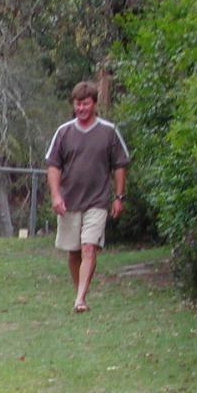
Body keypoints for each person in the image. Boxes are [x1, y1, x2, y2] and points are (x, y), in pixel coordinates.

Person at [45, 81, 130, 313]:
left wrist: (118, 196)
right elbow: (53, 166)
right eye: (77, 104)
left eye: (85, 104)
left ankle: (80, 298)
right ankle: (79, 292)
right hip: (70, 201)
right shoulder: (64, 132)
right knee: (74, 252)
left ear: (94, 104)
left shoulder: (108, 131)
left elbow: (120, 165)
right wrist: (56, 195)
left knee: (89, 247)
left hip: (98, 201)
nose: (81, 108)